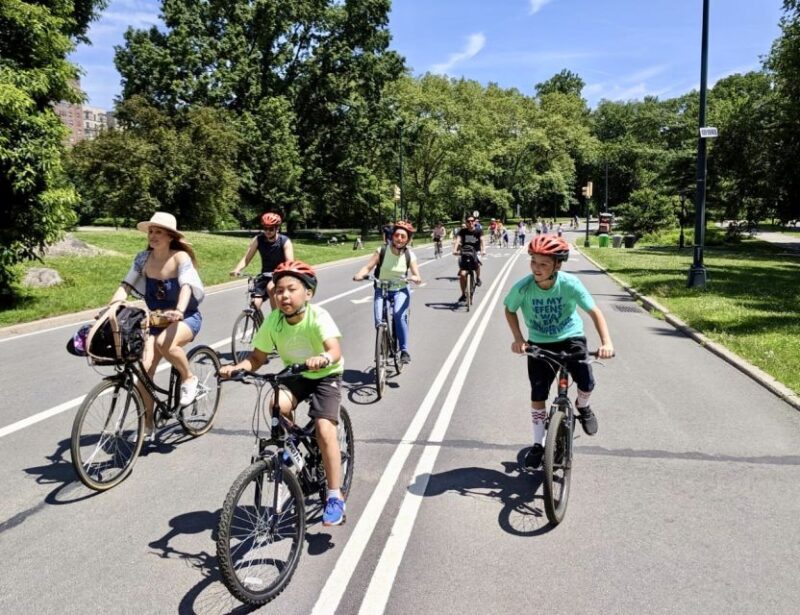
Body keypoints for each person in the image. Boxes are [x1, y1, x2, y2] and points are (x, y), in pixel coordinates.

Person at [219, 260, 348, 526]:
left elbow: (335, 350)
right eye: (278, 291)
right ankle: (295, 445)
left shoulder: (317, 316)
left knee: (325, 429)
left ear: (308, 293)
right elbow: (256, 358)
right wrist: (238, 367)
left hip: (325, 374)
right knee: (276, 404)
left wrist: (322, 358)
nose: (284, 295)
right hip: (296, 374)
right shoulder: (274, 321)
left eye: (291, 289)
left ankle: (335, 496)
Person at [503, 234, 614, 469]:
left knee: (586, 382)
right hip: (539, 342)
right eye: (533, 262)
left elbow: (594, 312)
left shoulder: (569, 284)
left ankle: (582, 406)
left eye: (543, 264)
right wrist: (518, 339)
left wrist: (606, 342)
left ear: (557, 265)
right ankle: (537, 444)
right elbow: (509, 310)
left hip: (571, 338)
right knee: (538, 394)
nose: (537, 268)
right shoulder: (523, 288)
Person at [110, 212, 205, 442]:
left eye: (158, 232)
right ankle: (148, 425)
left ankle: (189, 378)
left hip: (186, 317)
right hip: (156, 321)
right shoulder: (143, 259)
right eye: (151, 231)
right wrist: (110, 309)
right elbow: (125, 284)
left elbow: (186, 286)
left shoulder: (180, 257)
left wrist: (180, 310)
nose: (152, 236)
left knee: (165, 344)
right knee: (143, 372)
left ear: (170, 236)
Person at [353, 221, 422, 364]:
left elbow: (417, 275)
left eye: (403, 236)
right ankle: (382, 347)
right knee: (379, 320)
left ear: (408, 239)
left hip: (400, 290)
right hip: (382, 288)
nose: (399, 239)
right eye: (397, 235)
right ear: (393, 236)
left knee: (398, 314)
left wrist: (414, 278)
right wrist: (359, 274)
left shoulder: (410, 255)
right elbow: (368, 267)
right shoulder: (382, 251)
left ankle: (404, 350)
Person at [230, 212, 294, 311]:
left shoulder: (284, 241)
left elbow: (290, 263)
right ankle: (259, 324)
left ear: (277, 228)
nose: (267, 231)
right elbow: (246, 258)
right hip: (265, 275)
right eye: (265, 228)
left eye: (271, 229)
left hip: (281, 275)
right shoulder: (258, 240)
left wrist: (282, 273)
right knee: (255, 303)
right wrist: (237, 269)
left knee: (270, 288)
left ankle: (276, 319)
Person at [452, 215, 486, 302]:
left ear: (475, 222)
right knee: (462, 275)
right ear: (466, 223)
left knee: (477, 264)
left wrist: (483, 250)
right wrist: (455, 250)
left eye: (472, 221)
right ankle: (463, 294)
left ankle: (478, 278)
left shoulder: (479, 231)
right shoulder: (462, 231)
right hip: (465, 252)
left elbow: (482, 241)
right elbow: (458, 240)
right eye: (468, 221)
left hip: (476, 252)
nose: (470, 223)